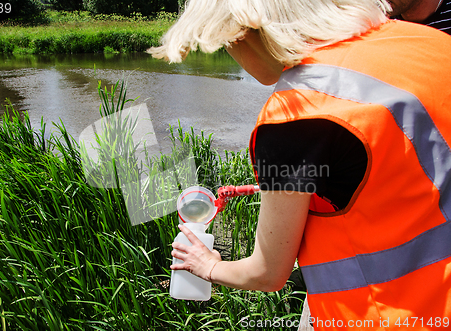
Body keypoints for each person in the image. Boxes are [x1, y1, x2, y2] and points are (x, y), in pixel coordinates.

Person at [148, 0, 451, 329]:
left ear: (245, 35)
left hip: (388, 313)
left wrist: (206, 266)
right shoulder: (429, 41)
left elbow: (267, 274)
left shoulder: (294, 114)